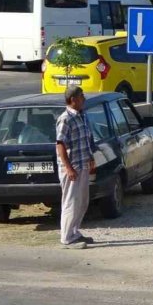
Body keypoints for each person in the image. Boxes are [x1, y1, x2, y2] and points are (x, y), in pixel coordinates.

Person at [55, 86, 96, 249]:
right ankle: (66, 238)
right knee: (71, 201)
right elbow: (60, 145)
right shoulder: (65, 119)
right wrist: (69, 168)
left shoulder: (82, 116)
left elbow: (87, 139)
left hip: (83, 163)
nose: (84, 99)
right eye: (81, 96)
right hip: (72, 168)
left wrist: (91, 157)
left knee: (82, 201)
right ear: (72, 99)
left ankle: (74, 232)